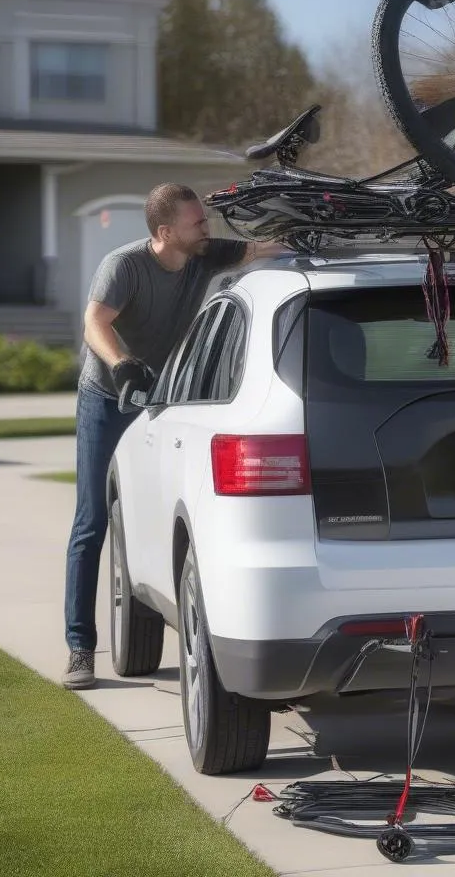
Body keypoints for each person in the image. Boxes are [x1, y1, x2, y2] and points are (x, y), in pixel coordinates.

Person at [62, 182, 291, 689]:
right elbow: (93, 322)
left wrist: (308, 233)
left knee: (162, 509)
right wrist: (122, 364)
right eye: (197, 223)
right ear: (166, 232)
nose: (207, 229)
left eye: (205, 221)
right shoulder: (123, 266)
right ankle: (80, 648)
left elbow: (263, 248)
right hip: (109, 396)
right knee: (92, 519)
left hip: (165, 397)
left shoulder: (205, 256)